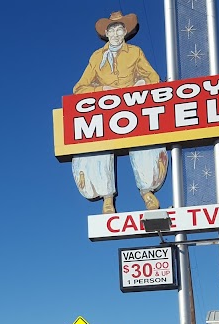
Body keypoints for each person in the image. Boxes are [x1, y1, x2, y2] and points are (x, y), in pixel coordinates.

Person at [71, 11, 169, 215]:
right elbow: (79, 88)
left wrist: (143, 82)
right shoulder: (97, 57)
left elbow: (153, 76)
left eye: (119, 29)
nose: (115, 33)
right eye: (112, 30)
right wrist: (102, 91)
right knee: (97, 148)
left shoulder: (135, 52)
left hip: (134, 107)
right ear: (106, 34)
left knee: (145, 142)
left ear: (125, 31)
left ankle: (147, 191)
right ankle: (107, 199)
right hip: (105, 111)